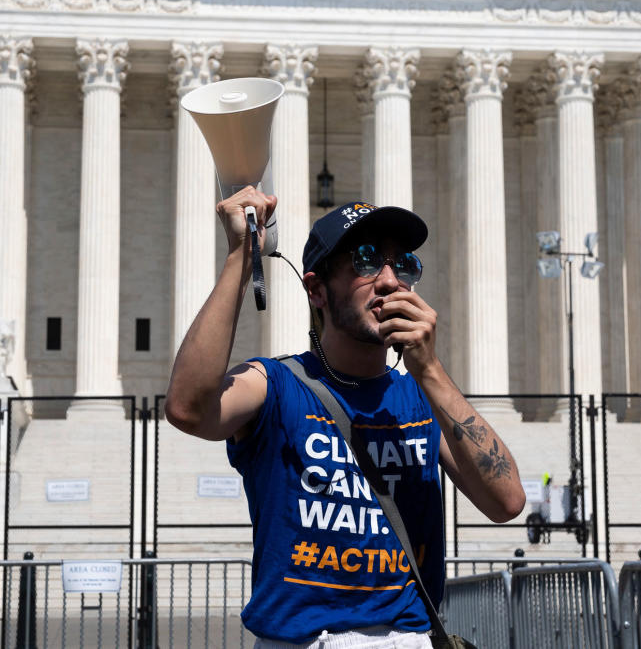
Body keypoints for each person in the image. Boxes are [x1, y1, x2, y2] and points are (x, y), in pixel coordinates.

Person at [166, 191, 525, 647]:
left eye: (404, 265)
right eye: (366, 261)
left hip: (407, 639)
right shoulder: (276, 384)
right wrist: (241, 257)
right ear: (316, 289)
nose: (390, 281)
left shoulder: (420, 398)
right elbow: (187, 409)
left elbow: (507, 501)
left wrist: (430, 370)